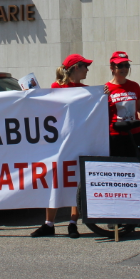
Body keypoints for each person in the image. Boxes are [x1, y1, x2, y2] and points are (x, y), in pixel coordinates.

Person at [30, 53, 93, 238]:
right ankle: (49, 224)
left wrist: (103, 94)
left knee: (77, 181)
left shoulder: (87, 90)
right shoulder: (56, 87)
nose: (87, 70)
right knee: (55, 180)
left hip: (78, 142)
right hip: (58, 143)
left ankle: (73, 223)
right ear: (75, 68)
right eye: (85, 66)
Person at [106, 51, 140, 158]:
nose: (124, 69)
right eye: (120, 65)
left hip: (134, 133)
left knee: (136, 166)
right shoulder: (106, 89)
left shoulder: (134, 86)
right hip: (115, 135)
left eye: (127, 65)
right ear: (112, 67)